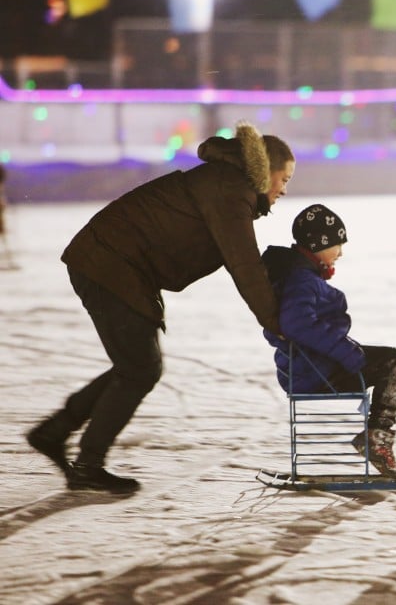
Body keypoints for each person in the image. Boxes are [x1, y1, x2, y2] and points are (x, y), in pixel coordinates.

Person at [26, 121, 296, 493]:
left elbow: (246, 259)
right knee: (140, 369)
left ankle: (54, 434)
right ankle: (86, 462)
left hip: (112, 262)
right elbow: (243, 263)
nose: (285, 189)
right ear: (268, 170)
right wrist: (276, 319)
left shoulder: (228, 184)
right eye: (285, 178)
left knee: (134, 366)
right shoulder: (229, 189)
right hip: (111, 263)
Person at [261, 204, 396, 478]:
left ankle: (376, 436)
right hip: (315, 371)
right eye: (338, 244)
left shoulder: (299, 276)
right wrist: (347, 352)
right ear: (319, 244)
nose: (341, 252)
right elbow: (298, 323)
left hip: (307, 367)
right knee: (394, 362)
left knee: (390, 360)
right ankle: (377, 439)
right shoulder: (301, 279)